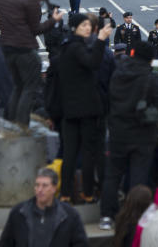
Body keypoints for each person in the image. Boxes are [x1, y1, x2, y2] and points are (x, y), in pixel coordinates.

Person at [100, 41, 158, 227]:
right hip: (143, 133)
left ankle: (106, 215)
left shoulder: (118, 72)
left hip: (117, 131)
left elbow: (108, 98)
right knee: (138, 176)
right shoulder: (151, 77)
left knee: (113, 174)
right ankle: (133, 217)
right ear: (150, 58)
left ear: (132, 53)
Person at [0, 0, 63, 128]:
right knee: (29, 88)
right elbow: (36, 29)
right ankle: (22, 124)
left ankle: (11, 121)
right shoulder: (30, 0)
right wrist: (53, 20)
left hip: (6, 46)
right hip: (24, 47)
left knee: (17, 86)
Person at [58, 13, 110, 204]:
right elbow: (93, 63)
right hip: (86, 108)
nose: (88, 28)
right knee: (87, 152)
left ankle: (65, 192)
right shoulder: (77, 47)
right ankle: (87, 192)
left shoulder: (65, 47)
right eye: (83, 25)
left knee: (70, 153)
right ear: (75, 28)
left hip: (69, 108)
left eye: (89, 25)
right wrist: (101, 40)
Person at [0, 167, 88, 247]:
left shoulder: (70, 216)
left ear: (54, 188)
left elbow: (81, 243)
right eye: (37, 185)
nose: (40, 190)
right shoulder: (18, 213)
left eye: (44, 186)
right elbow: (5, 243)